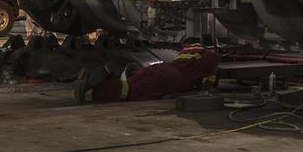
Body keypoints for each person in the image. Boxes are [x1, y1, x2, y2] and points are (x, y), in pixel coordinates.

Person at [74, 44, 219, 103]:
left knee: (128, 86)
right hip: (172, 77)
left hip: (162, 67)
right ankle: (96, 90)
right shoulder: (212, 55)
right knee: (131, 93)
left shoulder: (193, 48)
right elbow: (207, 86)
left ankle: (95, 79)